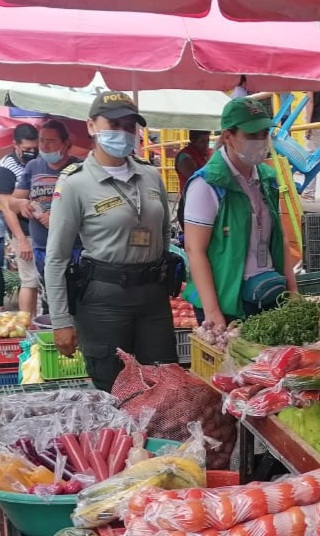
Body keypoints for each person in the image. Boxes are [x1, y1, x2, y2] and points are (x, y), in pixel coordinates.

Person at [46, 91, 178, 392]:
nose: (122, 133)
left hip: (153, 299)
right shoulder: (75, 182)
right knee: (115, 392)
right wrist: (61, 321)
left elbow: (165, 234)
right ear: (92, 126)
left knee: (165, 388)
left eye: (129, 126)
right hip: (104, 302)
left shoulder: (150, 175)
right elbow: (56, 257)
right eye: (114, 124)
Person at [182, 97, 298, 327]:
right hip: (227, 303)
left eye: (264, 134)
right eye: (251, 135)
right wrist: (213, 312)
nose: (261, 141)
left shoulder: (267, 179)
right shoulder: (208, 185)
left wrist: (293, 291)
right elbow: (195, 250)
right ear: (228, 137)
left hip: (266, 295)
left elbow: (281, 239)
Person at [14, 120, 83, 310]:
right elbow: (14, 201)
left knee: (76, 301)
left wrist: (59, 218)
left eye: (50, 141)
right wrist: (22, 204)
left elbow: (92, 207)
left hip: (74, 249)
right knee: (50, 303)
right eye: (42, 140)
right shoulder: (33, 167)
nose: (44, 146)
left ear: (66, 142)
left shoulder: (80, 168)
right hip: (42, 249)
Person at [0, 124, 41, 318]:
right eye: (27, 150)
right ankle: (27, 327)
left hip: (41, 228)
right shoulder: (7, 168)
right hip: (23, 231)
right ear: (15, 144)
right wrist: (21, 239)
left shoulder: (37, 161)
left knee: (39, 280)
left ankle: (36, 322)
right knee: (29, 280)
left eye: (35, 148)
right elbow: (6, 208)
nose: (32, 153)